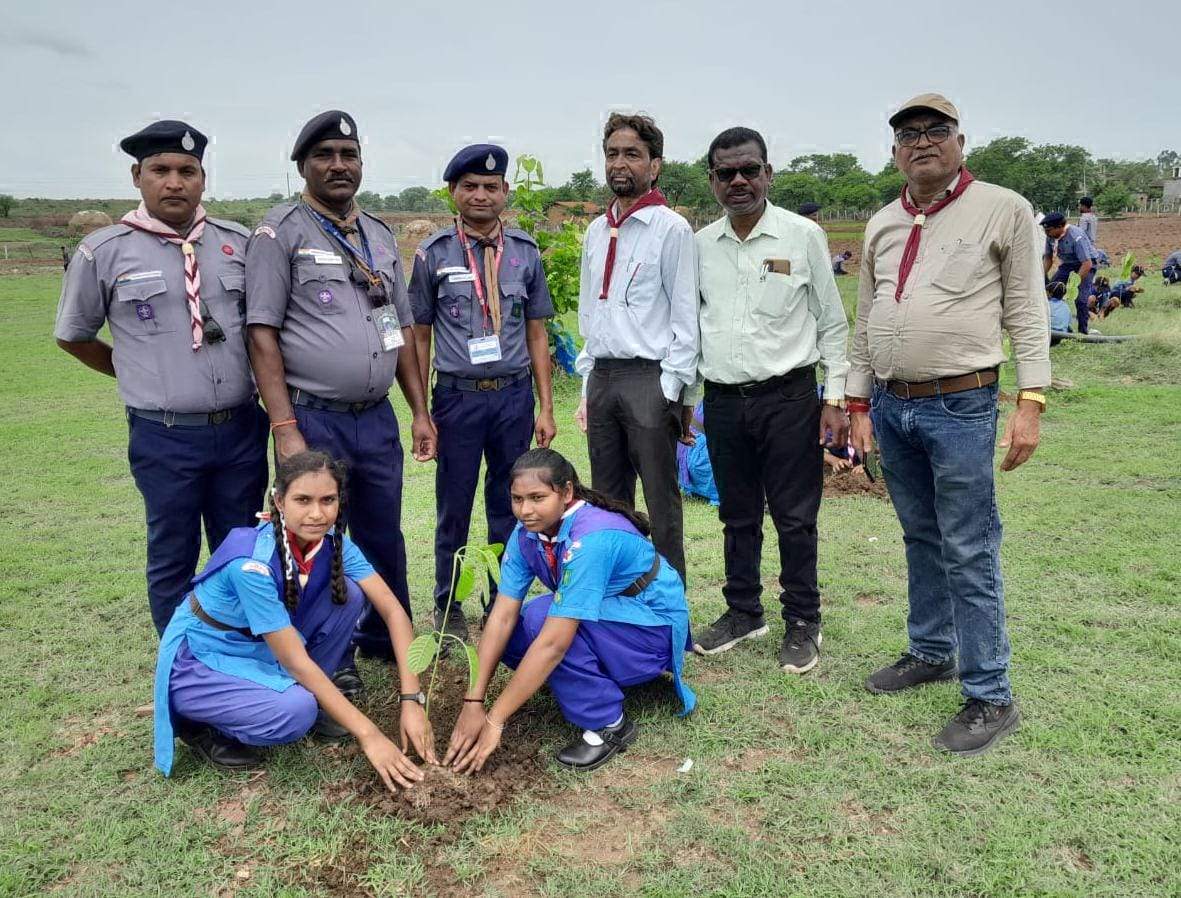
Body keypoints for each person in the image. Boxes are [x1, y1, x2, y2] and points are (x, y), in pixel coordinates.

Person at [847, 92, 1050, 756]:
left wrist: (1031, 401)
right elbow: (862, 322)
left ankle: (990, 693)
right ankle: (931, 650)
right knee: (918, 535)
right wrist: (856, 405)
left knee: (967, 544)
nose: (921, 141)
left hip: (961, 403)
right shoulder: (880, 222)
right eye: (907, 134)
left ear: (960, 141)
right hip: (889, 401)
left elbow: (1026, 307)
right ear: (894, 152)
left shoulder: (1003, 209)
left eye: (935, 130)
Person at [54, 120, 269, 635]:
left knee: (240, 552)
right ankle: (183, 671)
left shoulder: (237, 243)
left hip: (240, 429)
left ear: (203, 178)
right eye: (161, 170)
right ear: (137, 176)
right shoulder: (103, 252)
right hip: (164, 434)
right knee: (172, 555)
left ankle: (238, 659)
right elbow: (74, 335)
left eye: (187, 171)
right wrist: (131, 373)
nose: (174, 182)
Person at [246, 110, 436, 677]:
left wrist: (419, 411)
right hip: (313, 416)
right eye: (324, 155)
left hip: (375, 418)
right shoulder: (280, 233)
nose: (338, 166)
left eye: (348, 156)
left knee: (383, 528)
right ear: (302, 165)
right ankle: (333, 649)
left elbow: (399, 331)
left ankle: (385, 632)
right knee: (319, 533)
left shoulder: (378, 234)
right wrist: (285, 428)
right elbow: (261, 334)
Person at [153, 451, 437, 786]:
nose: (317, 513)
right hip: (205, 660)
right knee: (295, 712)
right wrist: (370, 734)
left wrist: (412, 700)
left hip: (260, 647)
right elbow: (295, 661)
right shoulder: (252, 566)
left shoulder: (334, 543)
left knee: (349, 594)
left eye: (328, 500)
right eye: (303, 500)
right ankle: (199, 724)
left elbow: (393, 611)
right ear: (279, 500)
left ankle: (312, 699)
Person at [689, 127, 850, 675]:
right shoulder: (700, 246)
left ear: (768, 174)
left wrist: (836, 397)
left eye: (749, 170)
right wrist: (689, 401)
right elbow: (692, 327)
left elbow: (833, 324)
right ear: (712, 180)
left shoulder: (802, 236)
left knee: (795, 516)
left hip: (790, 398)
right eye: (726, 172)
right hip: (724, 401)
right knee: (736, 513)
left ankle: (803, 620)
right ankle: (742, 611)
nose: (738, 181)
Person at [442, 448, 696, 773]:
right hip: (612, 623)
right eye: (517, 499)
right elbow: (502, 616)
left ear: (566, 492)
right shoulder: (527, 534)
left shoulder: (592, 539)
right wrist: (473, 702)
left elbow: (554, 642)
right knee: (513, 629)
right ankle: (582, 678)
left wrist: (494, 720)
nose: (525, 510)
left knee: (542, 619)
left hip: (651, 633)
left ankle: (609, 723)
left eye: (537, 497)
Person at [409, 144, 557, 641]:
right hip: (456, 398)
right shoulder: (433, 255)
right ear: (452, 192)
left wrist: (546, 405)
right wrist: (421, 412)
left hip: (513, 397)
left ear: (505, 193)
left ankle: (501, 600)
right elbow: (421, 336)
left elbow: (537, 334)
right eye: (469, 186)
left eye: (491, 187)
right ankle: (446, 606)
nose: (480, 195)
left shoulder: (525, 252)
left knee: (509, 505)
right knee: (454, 505)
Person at [573, 112, 699, 583]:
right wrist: (588, 383)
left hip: (650, 377)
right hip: (603, 376)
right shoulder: (593, 230)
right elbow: (590, 316)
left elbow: (686, 321)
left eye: (632, 154)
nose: (619, 163)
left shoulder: (671, 229)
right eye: (611, 153)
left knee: (661, 503)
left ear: (655, 165)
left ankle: (670, 607)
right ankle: (617, 597)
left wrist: (671, 390)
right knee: (607, 499)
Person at [1042, 211, 1097, 335]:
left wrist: (1073, 284)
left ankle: (1083, 332)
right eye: (1046, 231)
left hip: (1085, 265)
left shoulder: (1076, 236)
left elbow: (1087, 264)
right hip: (1068, 265)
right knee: (1051, 290)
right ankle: (1053, 325)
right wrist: (1040, 275)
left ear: (1060, 227)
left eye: (1049, 230)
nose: (1047, 233)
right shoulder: (1051, 236)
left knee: (1080, 299)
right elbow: (1048, 258)